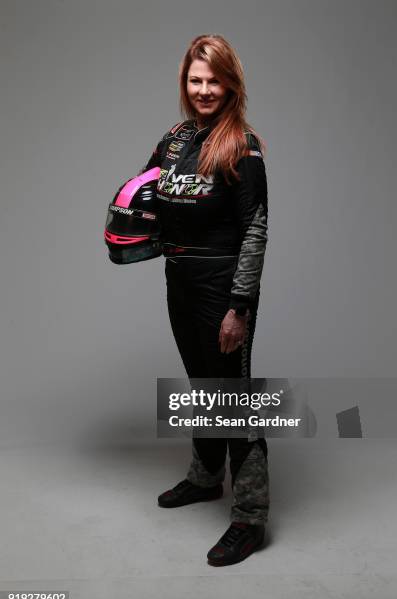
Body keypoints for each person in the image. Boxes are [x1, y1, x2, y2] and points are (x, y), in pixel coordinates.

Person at [141, 34, 269, 566]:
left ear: (231, 82)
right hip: (180, 281)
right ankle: (204, 478)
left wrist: (239, 306)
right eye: (195, 80)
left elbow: (255, 230)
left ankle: (250, 518)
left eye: (214, 79)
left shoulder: (243, 146)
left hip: (223, 290)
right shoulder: (177, 138)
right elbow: (145, 188)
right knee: (202, 387)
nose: (204, 90)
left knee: (232, 399)